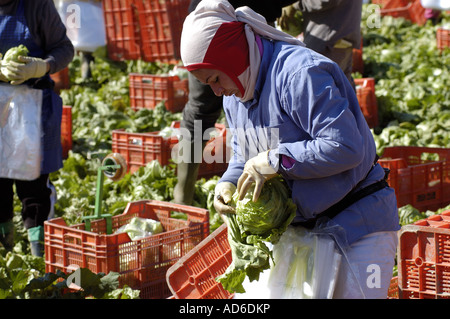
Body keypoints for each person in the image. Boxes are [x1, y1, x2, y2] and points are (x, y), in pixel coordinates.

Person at [180, 0, 400, 298]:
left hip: (356, 227)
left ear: (233, 57)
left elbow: (345, 146)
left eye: (216, 79)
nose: (216, 91)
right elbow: (243, 153)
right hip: (300, 232)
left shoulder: (300, 75)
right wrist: (228, 184)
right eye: (208, 84)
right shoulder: (235, 95)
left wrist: (275, 160)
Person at [173, 0, 297, 205]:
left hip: (247, 29)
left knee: (255, 107)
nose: (217, 91)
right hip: (209, 32)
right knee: (209, 109)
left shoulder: (300, 71)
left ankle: (270, 192)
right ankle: (184, 195)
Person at [0, 0, 74, 256]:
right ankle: (6, 248)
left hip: (32, 105)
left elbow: (64, 49)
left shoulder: (37, 5)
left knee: (33, 188)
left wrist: (41, 66)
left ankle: (38, 254)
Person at [277, 0, 363, 89]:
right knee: (343, 90)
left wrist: (294, 4)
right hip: (338, 37)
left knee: (323, 91)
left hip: (328, 40)